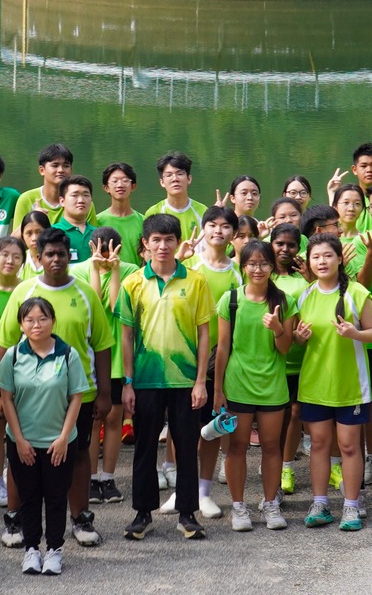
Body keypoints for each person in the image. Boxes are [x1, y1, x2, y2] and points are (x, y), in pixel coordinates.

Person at [116, 216, 216, 540]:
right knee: (144, 447)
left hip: (185, 380)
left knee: (186, 446)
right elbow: (126, 336)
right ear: (145, 243)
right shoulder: (133, 282)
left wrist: (200, 381)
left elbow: (204, 333)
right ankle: (142, 513)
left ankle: (187, 514)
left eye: (169, 239)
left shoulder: (196, 281)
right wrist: (127, 382)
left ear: (178, 242)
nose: (163, 246)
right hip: (145, 380)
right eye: (156, 240)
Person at [288, 234, 372, 532]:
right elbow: (297, 338)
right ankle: (320, 504)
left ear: (340, 259)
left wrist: (355, 333)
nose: (322, 261)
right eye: (315, 257)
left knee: (349, 446)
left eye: (328, 255)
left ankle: (351, 505)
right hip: (315, 384)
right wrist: (298, 338)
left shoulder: (357, 292)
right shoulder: (304, 295)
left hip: (350, 385)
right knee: (318, 444)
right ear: (309, 262)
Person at [0, 295, 90, 575]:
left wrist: (63, 437)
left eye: (43, 318)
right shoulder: (13, 355)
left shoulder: (68, 354)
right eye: (30, 320)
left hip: (59, 442)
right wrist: (19, 440)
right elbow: (6, 398)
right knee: (29, 497)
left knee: (57, 497)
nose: (37, 325)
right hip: (23, 442)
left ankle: (55, 550)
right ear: (21, 324)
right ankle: (32, 549)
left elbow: (76, 397)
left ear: (53, 321)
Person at [210, 239, 296, 532]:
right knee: (237, 446)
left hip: (272, 385)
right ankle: (238, 506)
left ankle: (271, 504)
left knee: (272, 446)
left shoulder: (284, 301)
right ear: (243, 266)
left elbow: (285, 348)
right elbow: (223, 348)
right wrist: (218, 390)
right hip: (237, 385)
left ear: (273, 266)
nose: (258, 269)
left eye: (264, 263)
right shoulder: (230, 299)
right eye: (252, 264)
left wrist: (278, 328)